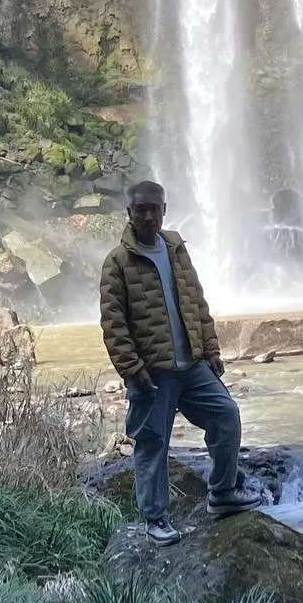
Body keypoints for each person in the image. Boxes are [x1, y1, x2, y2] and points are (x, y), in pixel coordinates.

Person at [99, 179, 261, 544]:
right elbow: (113, 324)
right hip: (153, 374)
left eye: (154, 208)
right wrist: (132, 369)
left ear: (164, 210)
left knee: (226, 416)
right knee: (153, 444)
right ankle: (154, 519)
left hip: (193, 365)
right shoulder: (117, 262)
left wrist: (212, 350)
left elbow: (196, 302)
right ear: (129, 213)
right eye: (140, 209)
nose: (148, 215)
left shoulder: (175, 248)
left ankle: (221, 493)